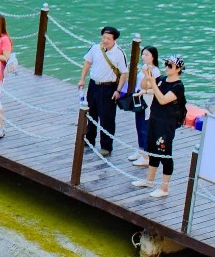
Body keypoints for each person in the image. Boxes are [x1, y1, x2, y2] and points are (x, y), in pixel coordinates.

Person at [138, 57, 186, 197]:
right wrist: (148, 77)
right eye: (166, 64)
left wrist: (153, 82)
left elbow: (163, 99)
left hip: (166, 124)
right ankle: (150, 180)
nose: (167, 67)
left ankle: (165, 187)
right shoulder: (162, 79)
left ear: (178, 69)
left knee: (165, 153)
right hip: (154, 119)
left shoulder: (178, 86)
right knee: (152, 149)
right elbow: (144, 86)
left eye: (170, 65)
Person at [77, 27, 129, 157]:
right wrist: (82, 79)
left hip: (108, 87)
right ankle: (89, 139)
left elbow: (124, 73)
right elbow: (87, 62)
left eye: (108, 39)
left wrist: (118, 90)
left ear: (114, 40)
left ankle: (106, 146)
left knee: (107, 117)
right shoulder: (95, 48)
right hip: (94, 84)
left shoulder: (119, 53)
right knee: (91, 112)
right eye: (104, 37)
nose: (105, 40)